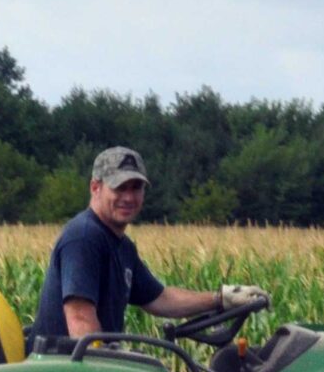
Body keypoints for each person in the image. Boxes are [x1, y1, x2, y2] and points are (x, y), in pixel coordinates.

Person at [28, 146, 266, 344]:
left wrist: (221, 299)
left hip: (87, 363)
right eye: (120, 187)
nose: (129, 198)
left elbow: (159, 298)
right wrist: (108, 363)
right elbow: (80, 319)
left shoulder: (122, 246)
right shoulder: (84, 237)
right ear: (95, 188)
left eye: (136, 188)